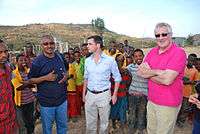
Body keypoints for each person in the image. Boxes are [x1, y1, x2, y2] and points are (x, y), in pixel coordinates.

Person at [137, 22, 187, 134]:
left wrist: (149, 73)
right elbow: (140, 72)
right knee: (151, 131)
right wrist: (159, 72)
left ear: (171, 35)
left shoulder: (179, 53)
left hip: (168, 103)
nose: (160, 38)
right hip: (151, 100)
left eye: (164, 34)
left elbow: (167, 80)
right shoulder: (152, 52)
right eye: (157, 35)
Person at [27, 35, 68, 134]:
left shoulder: (60, 56)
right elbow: (30, 80)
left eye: (51, 43)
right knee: (47, 130)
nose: (49, 46)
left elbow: (66, 70)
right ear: (42, 46)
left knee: (63, 127)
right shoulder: (37, 61)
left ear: (54, 44)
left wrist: (66, 76)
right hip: (46, 103)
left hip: (62, 101)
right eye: (46, 44)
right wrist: (45, 78)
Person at [82, 35, 121, 134]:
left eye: (90, 44)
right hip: (90, 95)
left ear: (98, 45)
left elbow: (117, 77)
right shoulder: (87, 61)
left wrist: (115, 94)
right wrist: (84, 94)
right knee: (90, 124)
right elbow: (86, 77)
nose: (87, 46)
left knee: (104, 124)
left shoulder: (110, 60)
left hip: (104, 95)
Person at [12, 53, 35, 134]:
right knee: (22, 123)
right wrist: (29, 82)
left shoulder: (28, 71)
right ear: (16, 62)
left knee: (31, 121)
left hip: (30, 100)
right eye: (21, 60)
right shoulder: (14, 73)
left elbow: (34, 84)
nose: (23, 61)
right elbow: (18, 87)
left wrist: (25, 83)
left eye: (24, 60)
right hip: (20, 103)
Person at [127, 49, 148, 134]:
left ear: (143, 56)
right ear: (133, 57)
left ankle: (140, 129)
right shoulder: (130, 67)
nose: (138, 58)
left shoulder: (148, 67)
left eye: (140, 55)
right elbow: (122, 72)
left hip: (143, 96)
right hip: (132, 95)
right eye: (135, 56)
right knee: (131, 113)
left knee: (142, 113)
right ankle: (131, 128)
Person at [110, 53, 132, 133]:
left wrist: (128, 74)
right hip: (114, 95)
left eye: (122, 60)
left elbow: (129, 82)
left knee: (123, 112)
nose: (120, 62)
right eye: (119, 60)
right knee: (114, 111)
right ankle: (113, 125)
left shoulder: (126, 71)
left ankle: (123, 127)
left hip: (123, 95)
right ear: (115, 61)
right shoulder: (111, 71)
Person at [0, 39, 18, 133]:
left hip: (11, 120)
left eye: (5, 51)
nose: (4, 55)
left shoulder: (8, 69)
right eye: (0, 52)